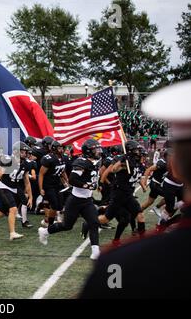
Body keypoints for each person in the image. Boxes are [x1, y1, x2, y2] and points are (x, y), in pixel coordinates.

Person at [80, 80, 191, 298]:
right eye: (138, 151)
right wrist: (107, 183)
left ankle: (140, 240)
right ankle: (89, 222)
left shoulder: (120, 263)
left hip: (128, 195)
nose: (141, 154)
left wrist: (142, 183)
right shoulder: (122, 161)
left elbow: (140, 176)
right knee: (105, 219)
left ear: (175, 167)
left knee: (139, 214)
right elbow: (106, 173)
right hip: (118, 194)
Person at [38, 139, 102, 260]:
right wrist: (86, 185)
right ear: (88, 151)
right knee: (67, 226)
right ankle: (45, 231)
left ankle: (95, 250)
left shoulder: (95, 161)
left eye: (98, 148)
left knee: (94, 223)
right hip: (76, 200)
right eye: (95, 149)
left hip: (87, 200)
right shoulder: (81, 162)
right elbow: (73, 180)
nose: (98, 151)